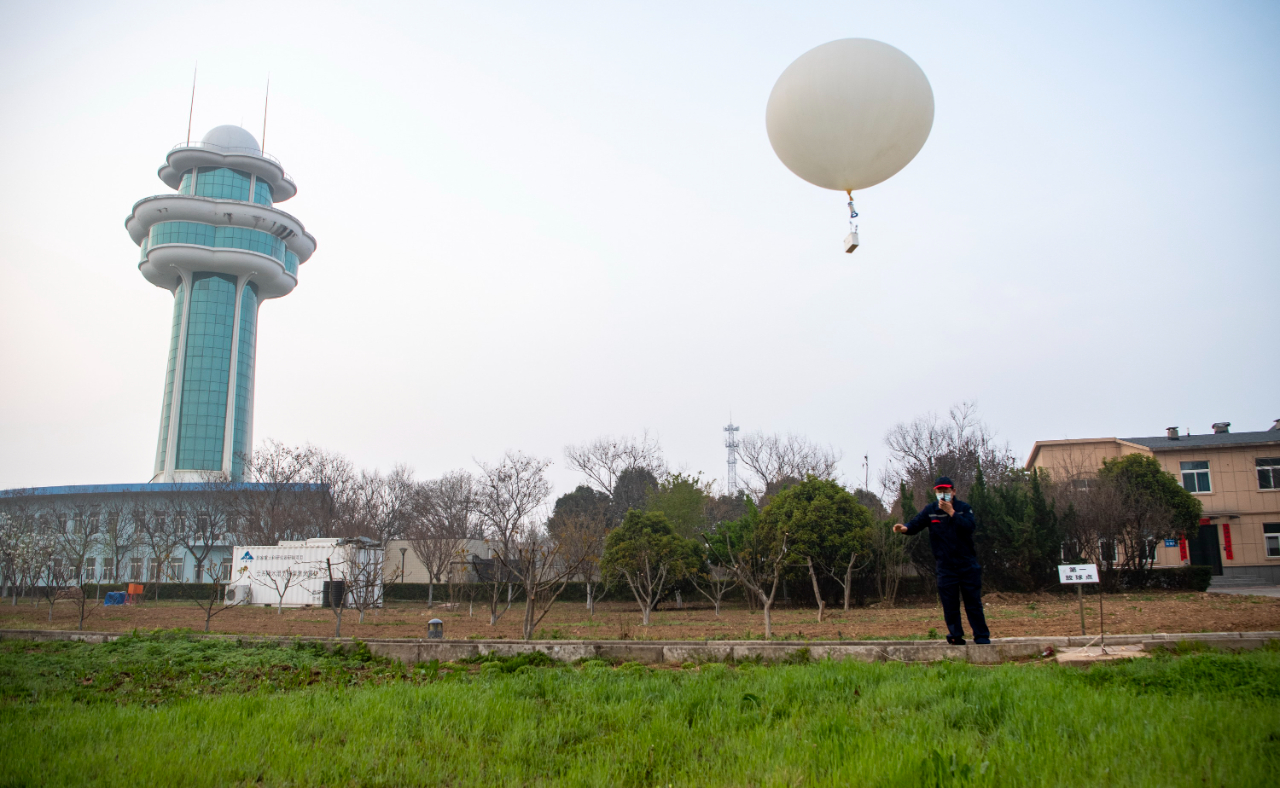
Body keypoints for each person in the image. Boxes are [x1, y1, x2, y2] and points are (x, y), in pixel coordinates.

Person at [893, 476, 991, 645]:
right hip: (945, 566)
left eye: (946, 490)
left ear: (953, 491)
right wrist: (904, 528)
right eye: (939, 491)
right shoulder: (931, 510)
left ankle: (981, 637)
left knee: (973, 603)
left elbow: (969, 527)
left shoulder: (964, 509)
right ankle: (955, 636)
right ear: (935, 492)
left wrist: (951, 513)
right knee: (950, 604)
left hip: (967, 564)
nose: (943, 494)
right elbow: (915, 524)